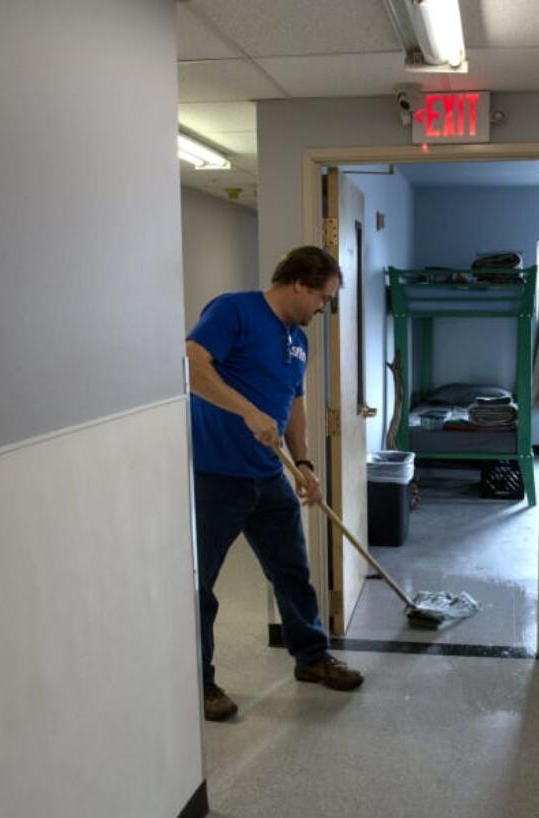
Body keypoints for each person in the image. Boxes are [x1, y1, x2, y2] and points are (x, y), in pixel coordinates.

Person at [185, 245, 364, 722]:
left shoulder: (297, 340)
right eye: (322, 298)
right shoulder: (233, 310)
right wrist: (246, 411)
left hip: (269, 476)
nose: (322, 308)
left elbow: (295, 404)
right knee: (198, 585)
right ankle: (198, 682)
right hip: (215, 475)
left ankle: (311, 657)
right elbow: (191, 365)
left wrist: (304, 462)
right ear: (299, 284)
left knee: (292, 574)